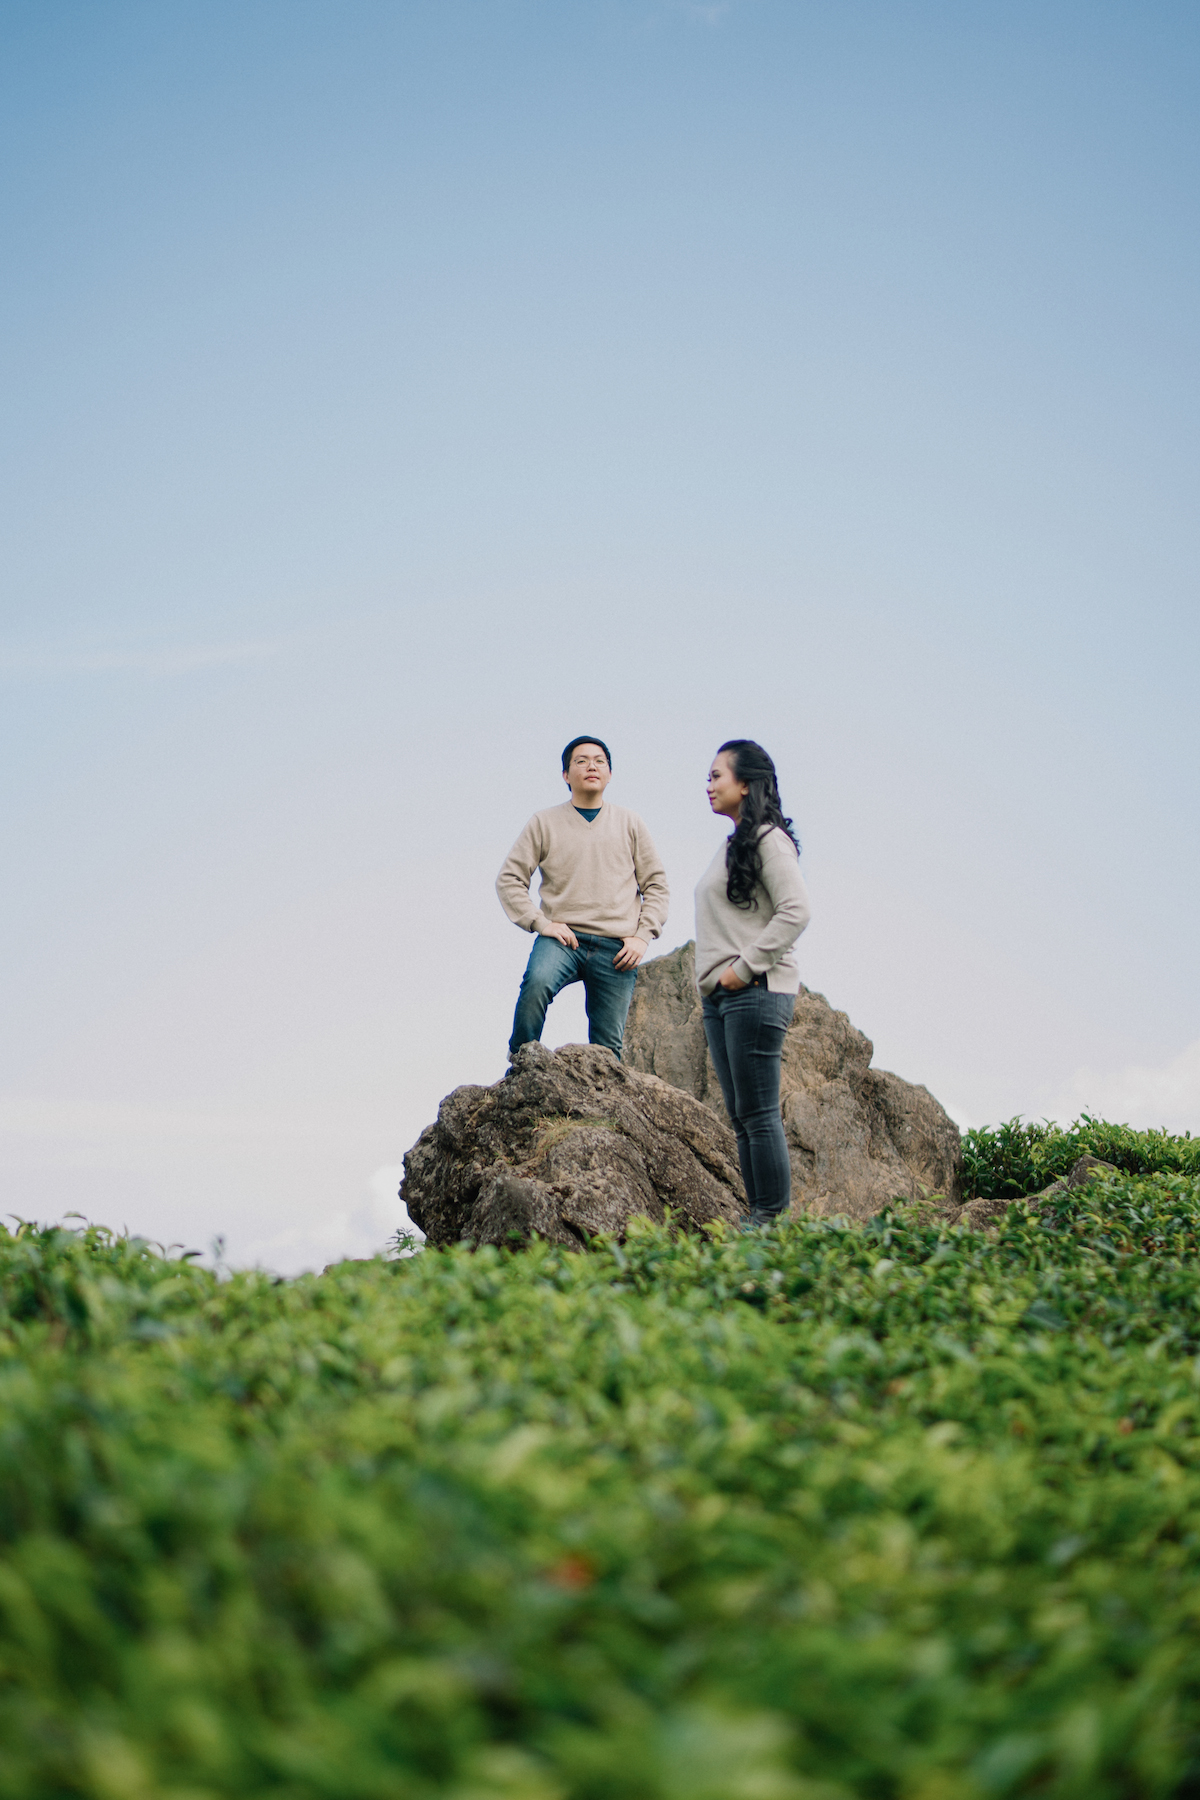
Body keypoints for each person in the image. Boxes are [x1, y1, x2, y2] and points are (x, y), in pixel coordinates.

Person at [695, 739, 811, 1228]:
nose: (708, 785)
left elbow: (797, 911)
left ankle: (771, 1219)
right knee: (742, 1116)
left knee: (760, 1113)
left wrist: (742, 969)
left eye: (716, 775)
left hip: (755, 992)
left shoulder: (768, 840)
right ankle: (757, 1217)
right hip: (721, 999)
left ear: (745, 784)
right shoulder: (734, 843)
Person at [497, 736, 669, 1060]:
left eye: (599, 760)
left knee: (608, 1052)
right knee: (536, 985)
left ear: (609, 774)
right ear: (565, 774)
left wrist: (643, 937)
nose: (591, 766)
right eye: (581, 760)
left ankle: (604, 1109)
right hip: (564, 939)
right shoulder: (543, 822)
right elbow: (509, 879)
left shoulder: (631, 823)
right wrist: (540, 923)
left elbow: (657, 885)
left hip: (618, 947)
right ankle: (520, 1063)